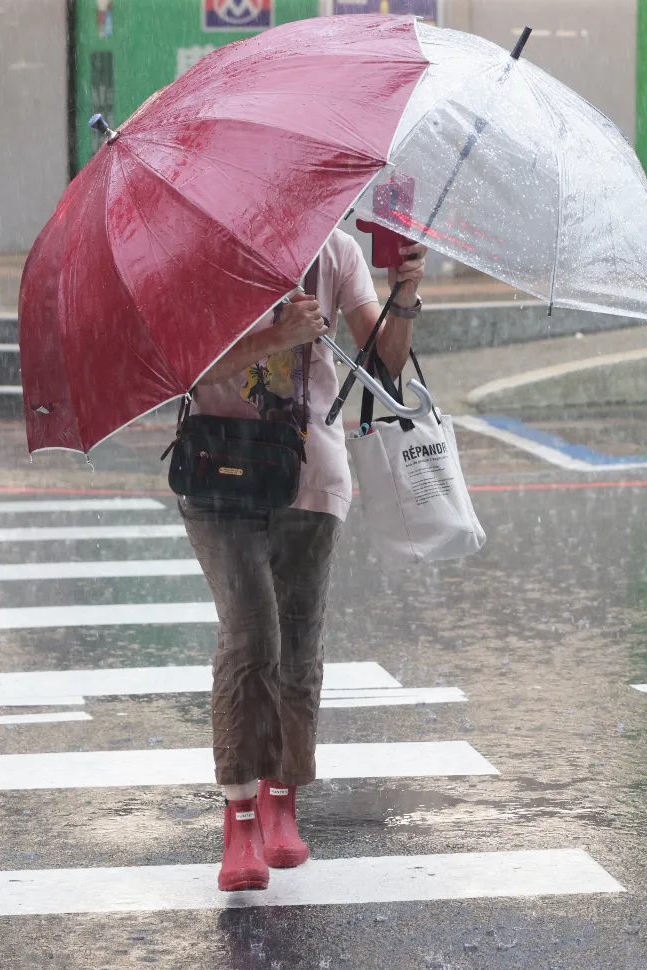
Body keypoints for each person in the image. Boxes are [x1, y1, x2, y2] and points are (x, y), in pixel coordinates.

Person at [181, 226, 427, 891]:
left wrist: (404, 295)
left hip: (310, 476)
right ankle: (239, 815)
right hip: (218, 472)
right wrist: (277, 336)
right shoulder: (204, 254)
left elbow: (386, 364)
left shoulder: (337, 253)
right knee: (251, 635)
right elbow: (188, 367)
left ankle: (282, 800)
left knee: (297, 644)